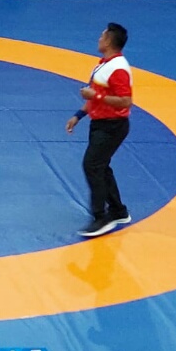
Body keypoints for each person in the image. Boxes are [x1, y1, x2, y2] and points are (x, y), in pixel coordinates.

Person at [66, 23, 133, 238]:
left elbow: (126, 101)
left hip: (112, 125)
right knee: (101, 166)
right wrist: (79, 115)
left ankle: (101, 217)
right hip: (101, 123)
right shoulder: (105, 64)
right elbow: (96, 96)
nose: (99, 39)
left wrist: (96, 96)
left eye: (102, 36)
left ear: (109, 41)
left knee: (92, 165)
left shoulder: (118, 68)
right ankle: (118, 211)